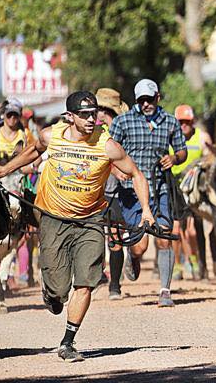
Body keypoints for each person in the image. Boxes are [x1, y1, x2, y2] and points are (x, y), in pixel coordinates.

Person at [0, 91, 154, 362]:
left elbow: (136, 174)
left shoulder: (107, 144)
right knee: (57, 291)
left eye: (94, 114)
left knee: (87, 282)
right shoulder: (51, 136)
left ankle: (68, 341)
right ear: (70, 116)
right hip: (53, 217)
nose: (91, 119)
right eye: (85, 115)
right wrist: (6, 170)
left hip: (90, 220)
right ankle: (51, 293)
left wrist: (146, 210)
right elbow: (33, 151)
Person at [108, 79, 186, 307]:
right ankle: (133, 257)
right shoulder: (123, 122)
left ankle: (165, 291)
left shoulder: (170, 121)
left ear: (157, 98)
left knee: (164, 236)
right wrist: (115, 170)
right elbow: (108, 153)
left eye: (149, 99)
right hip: (131, 192)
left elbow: (181, 151)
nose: (145, 104)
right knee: (140, 244)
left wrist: (174, 158)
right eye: (141, 100)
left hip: (160, 188)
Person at [95, 88, 131, 300]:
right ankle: (99, 276)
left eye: (99, 109)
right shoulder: (94, 131)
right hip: (97, 190)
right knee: (95, 235)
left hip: (119, 192)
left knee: (116, 237)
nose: (95, 113)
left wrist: (120, 170)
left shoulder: (123, 130)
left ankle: (115, 285)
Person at [170, 104, 210, 282]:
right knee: (176, 230)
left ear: (193, 121)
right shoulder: (169, 137)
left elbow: (210, 159)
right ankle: (177, 265)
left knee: (192, 231)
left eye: (187, 121)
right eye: (181, 122)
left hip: (194, 190)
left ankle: (193, 262)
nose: (184, 125)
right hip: (174, 188)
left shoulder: (202, 137)